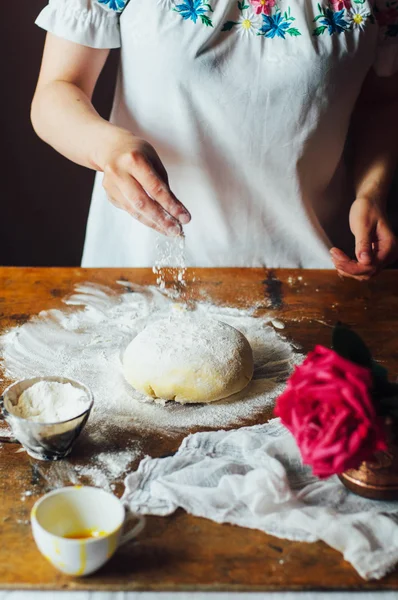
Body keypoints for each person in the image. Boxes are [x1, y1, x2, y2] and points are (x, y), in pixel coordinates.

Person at [31, 0, 398, 279]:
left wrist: (372, 192)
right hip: (144, 272)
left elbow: (381, 103)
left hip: (313, 271)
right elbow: (57, 91)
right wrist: (106, 146)